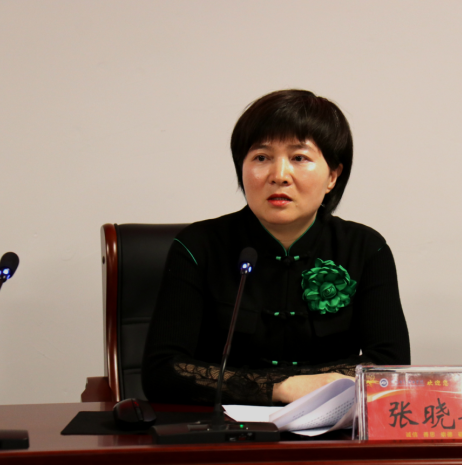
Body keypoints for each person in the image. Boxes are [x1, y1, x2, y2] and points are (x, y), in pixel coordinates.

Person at [142, 89, 410, 406]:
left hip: (332, 427)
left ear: (332, 176)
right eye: (261, 157)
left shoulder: (365, 248)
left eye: (299, 158)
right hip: (224, 428)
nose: (279, 175)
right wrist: (280, 388)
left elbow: (391, 366)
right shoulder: (199, 245)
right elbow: (162, 371)